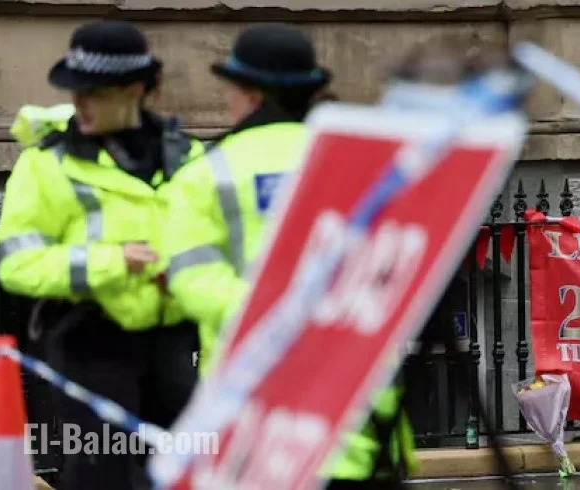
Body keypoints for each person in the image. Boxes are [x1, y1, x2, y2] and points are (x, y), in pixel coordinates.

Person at [161, 24, 417, 488]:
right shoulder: (362, 166)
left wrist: (277, 312)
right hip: (356, 413)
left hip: (259, 425)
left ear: (251, 94)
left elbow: (193, 283)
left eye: (231, 91)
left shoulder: (205, 175)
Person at [0, 20, 204, 490]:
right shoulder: (46, 164)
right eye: (76, 91)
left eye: (95, 92)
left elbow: (213, 245)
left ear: (135, 90)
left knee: (187, 475)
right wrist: (112, 264)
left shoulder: (187, 157)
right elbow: (16, 263)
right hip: (88, 344)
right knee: (99, 476)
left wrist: (185, 274)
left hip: (172, 345)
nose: (80, 103)